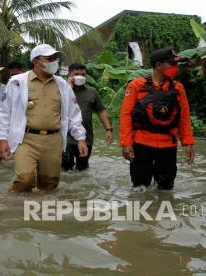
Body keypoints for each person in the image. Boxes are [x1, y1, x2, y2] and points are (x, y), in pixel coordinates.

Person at [0, 44, 88, 193]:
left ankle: (41, 213)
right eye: (49, 58)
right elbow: (4, 113)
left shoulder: (63, 85)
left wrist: (81, 138)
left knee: (50, 185)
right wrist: (2, 139)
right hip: (26, 139)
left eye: (55, 58)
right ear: (35, 61)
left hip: (53, 140)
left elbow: (74, 113)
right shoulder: (17, 82)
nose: (54, 62)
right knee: (24, 181)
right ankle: (13, 212)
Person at [119, 48, 195, 191]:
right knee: (140, 187)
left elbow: (184, 117)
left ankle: (162, 212)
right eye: (171, 64)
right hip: (142, 143)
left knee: (166, 188)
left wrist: (188, 142)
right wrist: (126, 143)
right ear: (159, 65)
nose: (175, 67)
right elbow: (126, 115)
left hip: (168, 145)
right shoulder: (136, 85)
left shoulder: (178, 88)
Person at [63, 63, 113, 171]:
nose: (80, 77)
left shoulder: (92, 92)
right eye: (76, 74)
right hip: (66, 138)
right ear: (69, 74)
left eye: (83, 75)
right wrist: (68, 88)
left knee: (83, 171)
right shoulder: (62, 90)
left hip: (86, 138)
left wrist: (108, 129)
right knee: (65, 170)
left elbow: (101, 111)